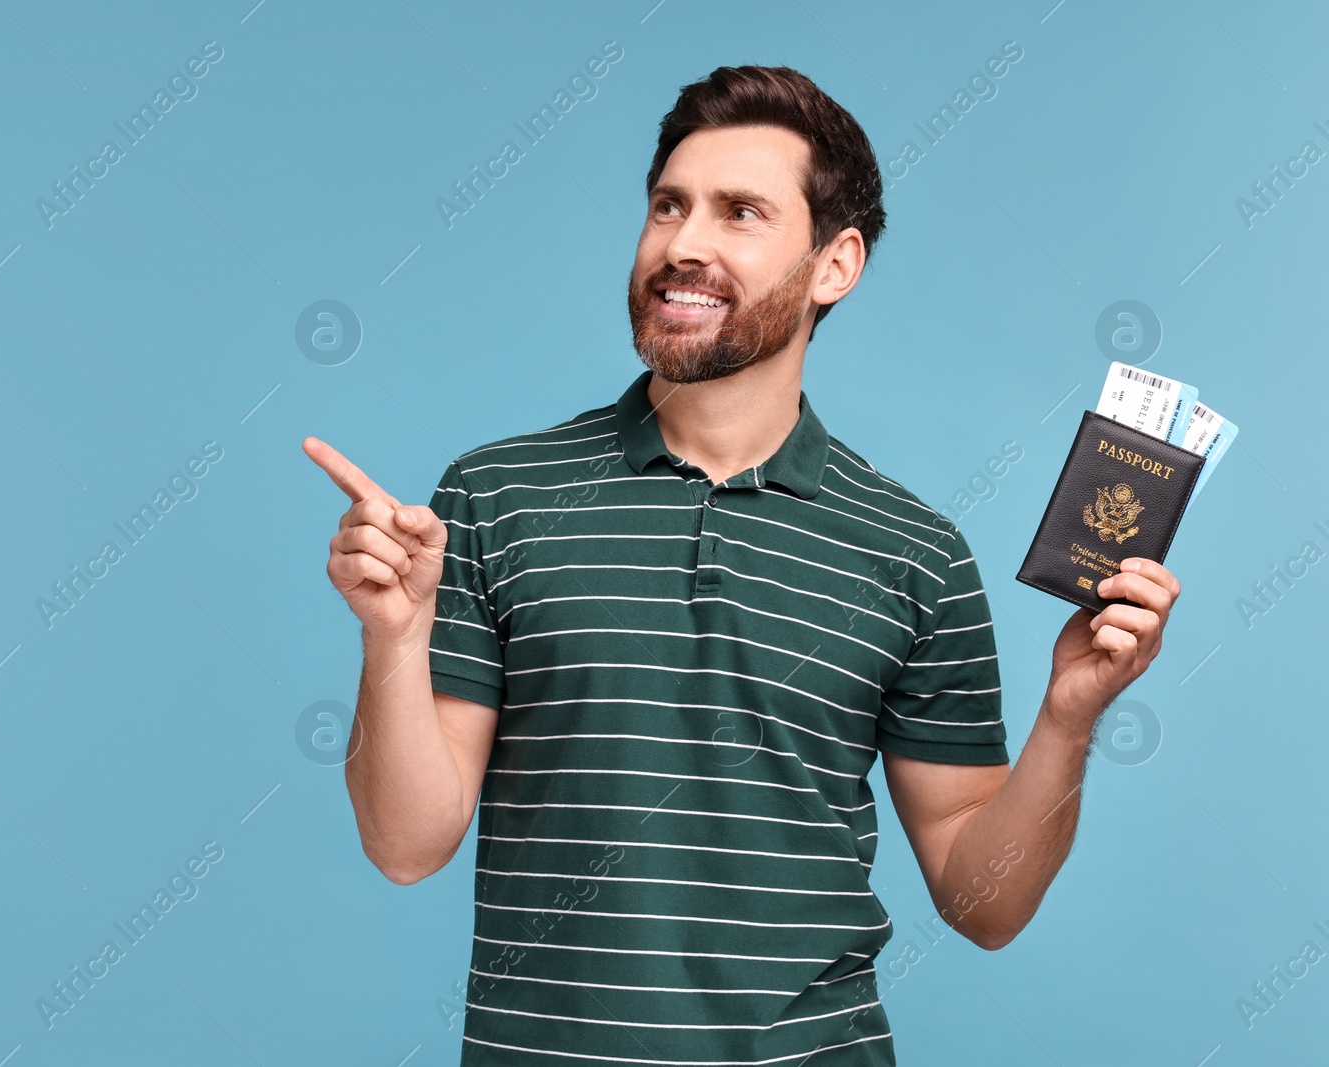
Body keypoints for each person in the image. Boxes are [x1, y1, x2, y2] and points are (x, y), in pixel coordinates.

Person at [304, 64, 1180, 1066]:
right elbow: (405, 844)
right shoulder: (495, 497)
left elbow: (985, 902)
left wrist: (1068, 717)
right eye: (666, 206)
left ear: (833, 264)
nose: (681, 243)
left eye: (739, 212)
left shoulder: (914, 552)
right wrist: (396, 636)